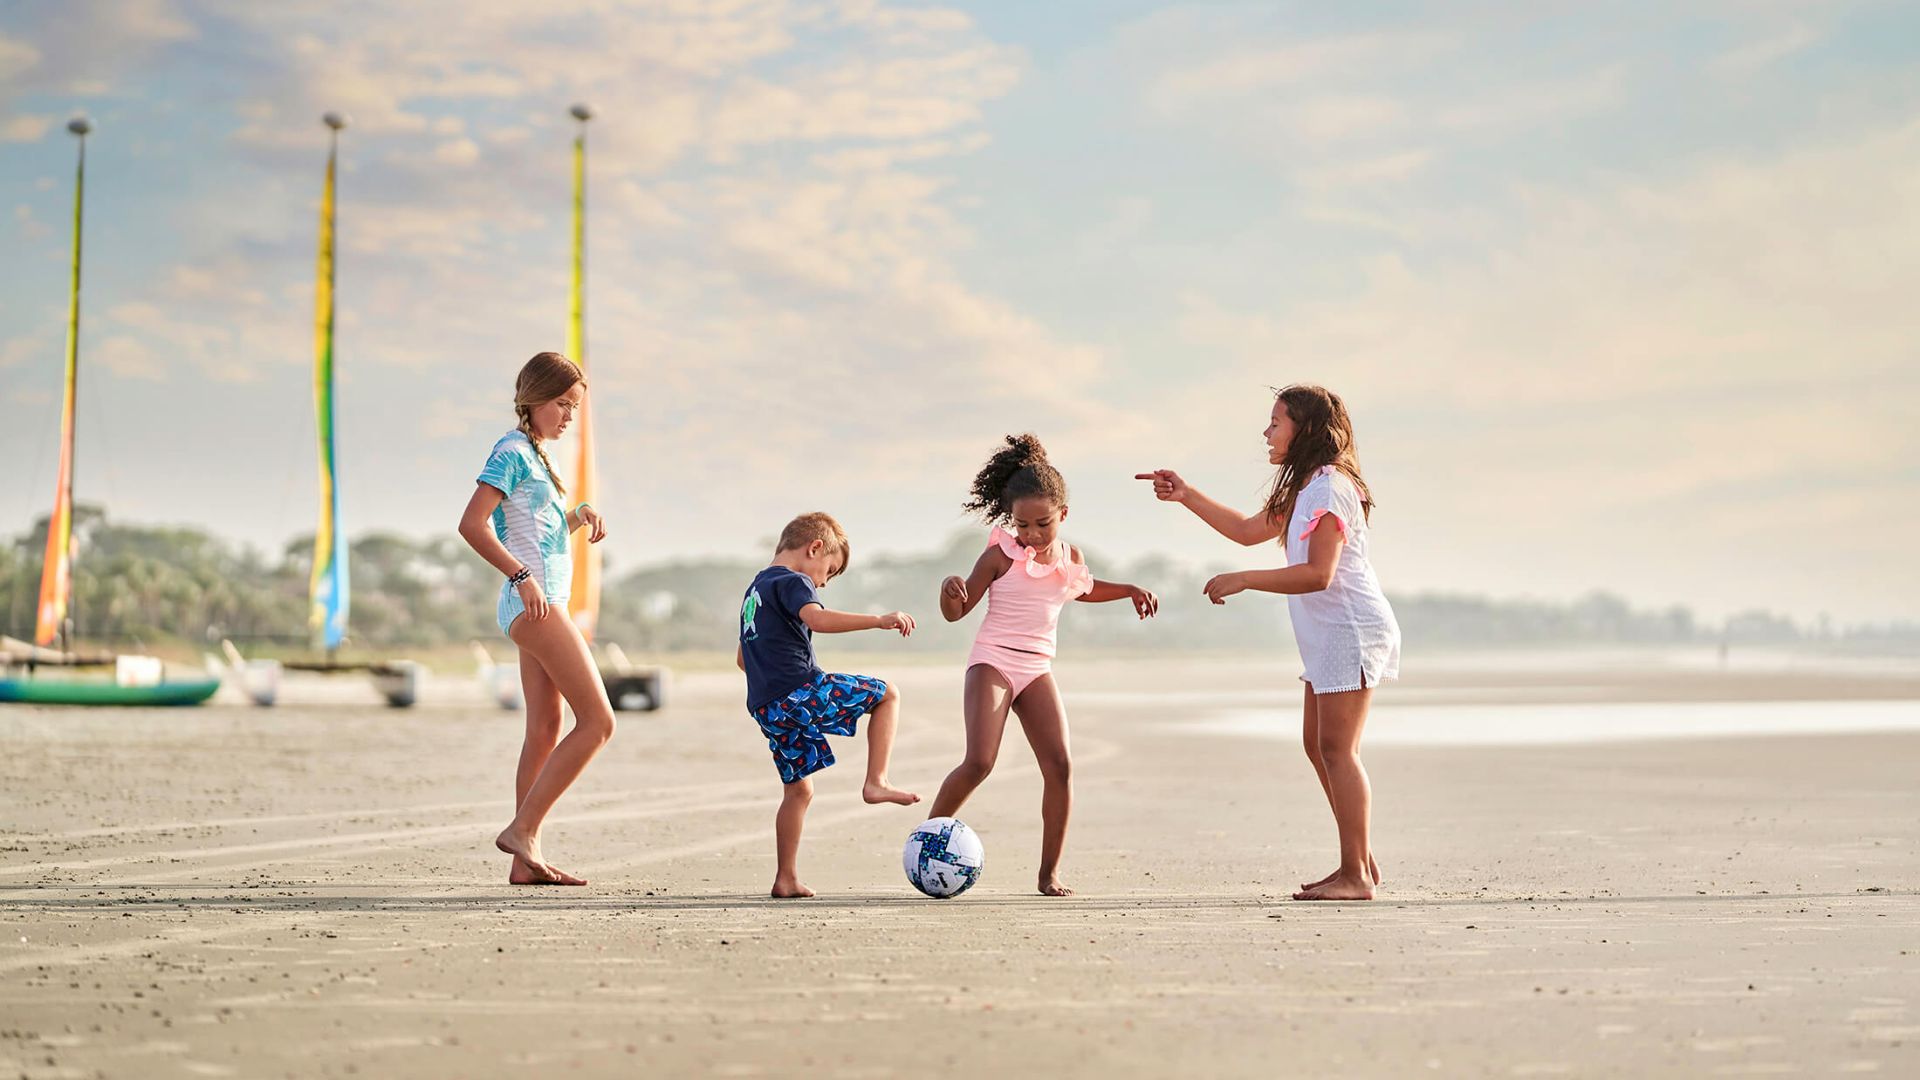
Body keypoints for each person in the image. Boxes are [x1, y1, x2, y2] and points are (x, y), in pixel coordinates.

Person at [1138, 385, 1398, 900]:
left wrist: (1246, 580)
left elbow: (1320, 574)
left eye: (1276, 422)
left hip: (1350, 628)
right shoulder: (1304, 489)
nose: (1266, 432)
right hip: (1329, 634)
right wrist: (1186, 494)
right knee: (1317, 745)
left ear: (1305, 430)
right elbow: (1244, 529)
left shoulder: (1328, 488)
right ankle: (1360, 861)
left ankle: (1356, 875)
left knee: (1336, 749)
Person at [930, 434, 1159, 896]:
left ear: (1063, 516)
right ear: (1009, 520)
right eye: (1022, 525)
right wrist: (949, 590)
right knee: (980, 761)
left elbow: (1086, 589)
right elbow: (958, 612)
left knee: (1060, 767)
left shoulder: (1071, 557)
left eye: (1042, 524)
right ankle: (928, 839)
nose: (1031, 535)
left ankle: (1048, 874)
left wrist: (1130, 589)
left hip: (1037, 669)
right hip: (992, 662)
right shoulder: (999, 555)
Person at [456, 351, 612, 886]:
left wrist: (575, 516)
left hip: (543, 600)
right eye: (563, 404)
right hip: (534, 601)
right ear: (535, 397)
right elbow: (473, 525)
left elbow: (534, 533)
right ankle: (523, 830)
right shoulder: (512, 450)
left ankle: (526, 862)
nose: (569, 416)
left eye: (575, 407)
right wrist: (521, 579)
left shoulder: (539, 454)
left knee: (545, 728)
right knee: (599, 722)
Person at [737, 511, 921, 899]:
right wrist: (878, 620)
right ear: (814, 548)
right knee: (887, 694)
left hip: (766, 707)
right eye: (829, 571)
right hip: (799, 692)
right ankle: (877, 781)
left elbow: (743, 658)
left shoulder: (754, 592)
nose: (823, 582)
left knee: (799, 791)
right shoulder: (794, 580)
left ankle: (785, 877)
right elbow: (817, 620)